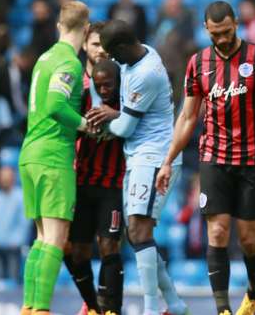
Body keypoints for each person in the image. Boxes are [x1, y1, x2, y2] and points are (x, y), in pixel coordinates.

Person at [155, 1, 255, 315]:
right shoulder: (198, 63)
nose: (222, 38)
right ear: (207, 30)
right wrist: (168, 160)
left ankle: (253, 295)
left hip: (252, 160)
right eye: (216, 33)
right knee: (216, 232)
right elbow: (188, 116)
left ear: (236, 24)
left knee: (248, 238)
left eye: (227, 31)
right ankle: (223, 309)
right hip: (214, 159)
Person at [89, 20, 189, 315]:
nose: (110, 59)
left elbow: (124, 127)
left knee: (138, 230)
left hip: (154, 158)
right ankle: (175, 305)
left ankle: (151, 308)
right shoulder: (141, 54)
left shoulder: (147, 73)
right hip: (140, 157)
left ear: (121, 47)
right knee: (138, 234)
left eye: (111, 53)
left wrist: (109, 115)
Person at [18, 0, 91, 315]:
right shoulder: (69, 63)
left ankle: (30, 307)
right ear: (85, 29)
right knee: (57, 239)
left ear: (60, 25)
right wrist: (86, 124)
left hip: (30, 153)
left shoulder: (44, 57)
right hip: (53, 156)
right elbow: (55, 106)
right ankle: (42, 310)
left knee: (41, 238)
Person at [64, 59, 125, 315]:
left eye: (108, 85)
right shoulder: (84, 99)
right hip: (83, 183)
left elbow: (145, 124)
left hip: (113, 186)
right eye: (99, 86)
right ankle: (93, 306)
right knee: (75, 251)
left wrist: (118, 115)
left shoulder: (128, 102)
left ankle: (112, 309)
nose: (103, 90)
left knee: (110, 245)